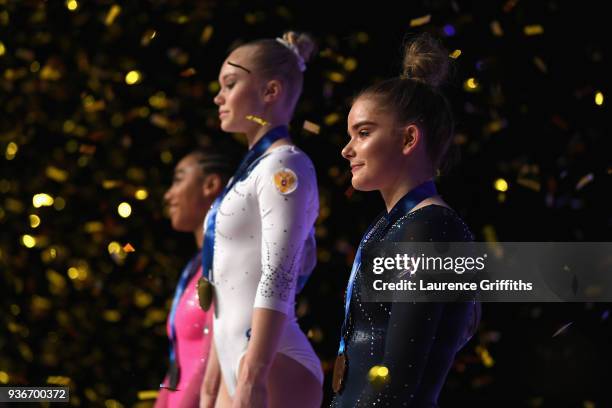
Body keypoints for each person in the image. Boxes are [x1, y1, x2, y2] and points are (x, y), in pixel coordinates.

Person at [331, 33, 481, 407]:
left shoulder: (428, 229)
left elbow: (397, 381)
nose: (347, 149)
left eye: (363, 133)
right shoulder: (392, 226)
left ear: (409, 139)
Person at [199, 31, 323, 408]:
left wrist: (253, 374)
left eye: (230, 84)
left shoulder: (286, 164)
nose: (219, 97)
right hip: (240, 358)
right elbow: (227, 281)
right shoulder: (250, 172)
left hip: (272, 361)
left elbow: (279, 271)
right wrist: (212, 381)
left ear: (270, 91)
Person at [155, 150, 234, 408]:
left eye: (178, 180)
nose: (168, 194)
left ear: (210, 185)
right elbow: (178, 366)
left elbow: (211, 360)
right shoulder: (195, 269)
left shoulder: (227, 264)